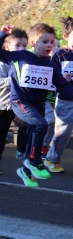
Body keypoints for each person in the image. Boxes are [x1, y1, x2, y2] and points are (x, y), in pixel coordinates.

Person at [0, 23, 73, 187]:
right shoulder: (21, 56)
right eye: (44, 42)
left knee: (32, 136)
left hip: (38, 103)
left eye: (52, 42)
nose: (49, 45)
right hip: (20, 101)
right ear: (33, 43)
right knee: (41, 124)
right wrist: (2, 34)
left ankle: (26, 171)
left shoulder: (50, 65)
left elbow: (62, 84)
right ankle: (34, 160)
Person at [45, 17, 73, 173]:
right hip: (65, 101)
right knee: (62, 135)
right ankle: (52, 159)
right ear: (66, 36)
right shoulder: (59, 54)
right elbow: (51, 76)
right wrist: (62, 79)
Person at [0, 28, 28, 171]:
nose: (21, 49)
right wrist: (15, 80)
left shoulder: (25, 62)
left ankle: (22, 152)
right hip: (3, 105)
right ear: (7, 47)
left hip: (19, 104)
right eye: (17, 45)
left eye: (24, 45)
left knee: (26, 125)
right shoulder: (3, 62)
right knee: (1, 135)